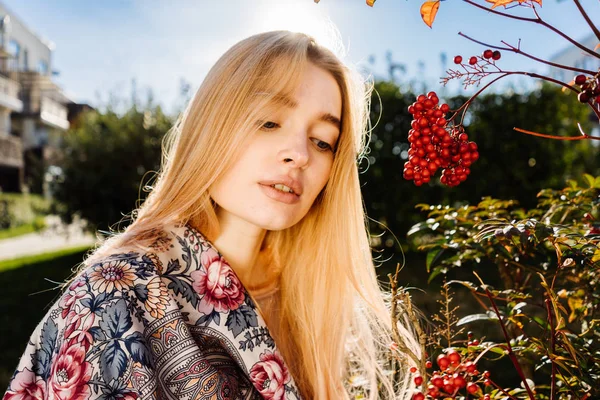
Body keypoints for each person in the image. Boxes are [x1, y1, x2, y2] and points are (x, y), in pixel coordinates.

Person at [3, 30, 419, 400]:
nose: (300, 154)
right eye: (269, 121)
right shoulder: (112, 297)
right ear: (213, 124)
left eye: (323, 140)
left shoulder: (314, 300)